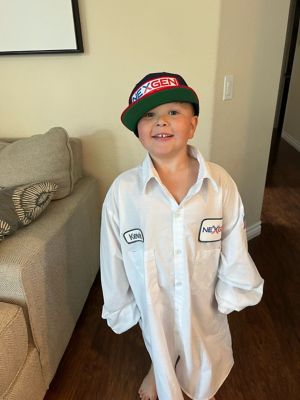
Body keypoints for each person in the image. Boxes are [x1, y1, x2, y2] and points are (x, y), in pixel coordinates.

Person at [100, 72, 264, 400]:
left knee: (202, 342)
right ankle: (158, 368)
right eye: (148, 116)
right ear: (139, 132)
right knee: (159, 335)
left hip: (202, 298)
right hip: (154, 295)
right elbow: (113, 255)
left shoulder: (219, 184)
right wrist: (121, 302)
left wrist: (232, 289)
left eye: (173, 112)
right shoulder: (123, 192)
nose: (161, 122)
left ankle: (199, 383)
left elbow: (233, 241)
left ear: (193, 124)